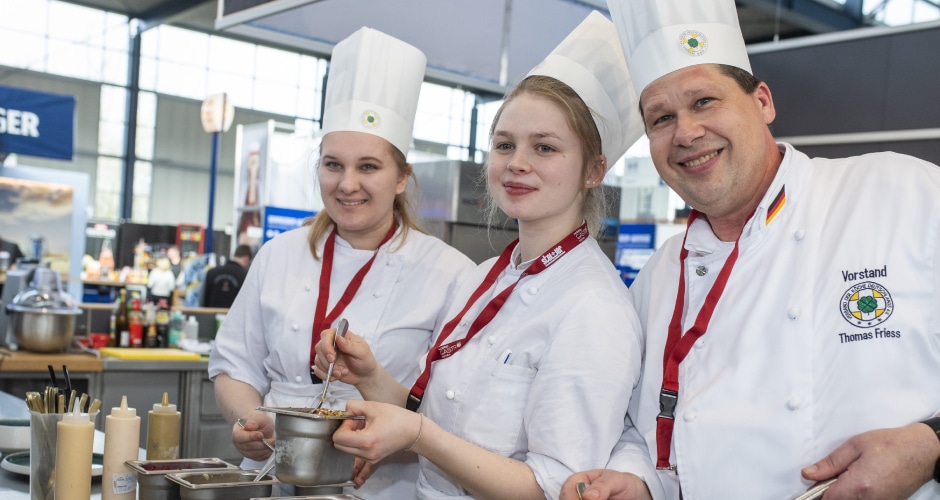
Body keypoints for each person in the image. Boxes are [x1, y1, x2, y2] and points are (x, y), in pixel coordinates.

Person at [561, 1, 940, 499]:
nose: (686, 133)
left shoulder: (902, 193)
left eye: (704, 101)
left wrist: (932, 448)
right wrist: (636, 480)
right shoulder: (658, 277)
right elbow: (644, 425)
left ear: (762, 101)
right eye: (661, 118)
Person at [314, 12, 647, 499]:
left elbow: (554, 488)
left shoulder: (594, 308)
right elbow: (437, 425)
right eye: (504, 144)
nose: (517, 163)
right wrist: (371, 378)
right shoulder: (485, 277)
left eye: (545, 147)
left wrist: (420, 435)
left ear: (594, 170)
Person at [207, 27, 475, 498]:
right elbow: (234, 365)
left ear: (400, 178)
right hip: (275, 478)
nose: (347, 183)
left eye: (368, 166)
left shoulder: (450, 274)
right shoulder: (280, 254)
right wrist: (248, 421)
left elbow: (452, 419)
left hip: (385, 486)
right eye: (333, 165)